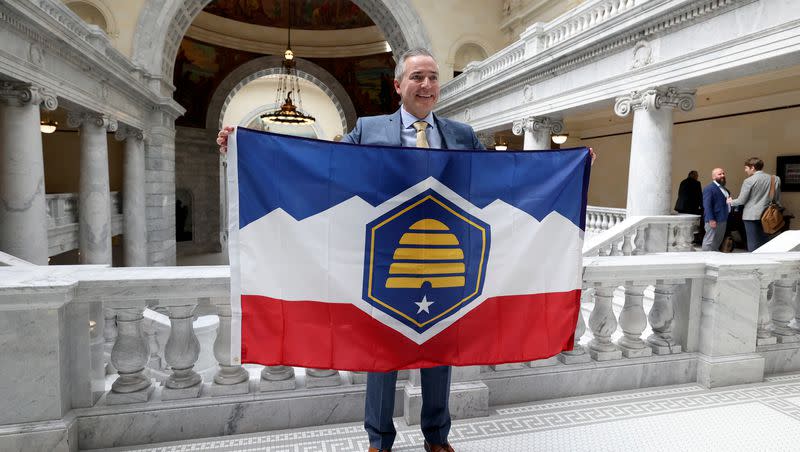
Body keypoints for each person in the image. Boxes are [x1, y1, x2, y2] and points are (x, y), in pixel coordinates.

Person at [218, 48, 595, 452]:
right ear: (398, 86)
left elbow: (503, 179)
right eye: (417, 77)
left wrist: (569, 165)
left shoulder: (460, 135)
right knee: (381, 350)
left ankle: (437, 436)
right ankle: (379, 440)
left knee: (441, 345)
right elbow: (324, 171)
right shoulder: (367, 130)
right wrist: (244, 149)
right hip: (385, 256)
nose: (427, 84)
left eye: (433, 77)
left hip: (444, 253)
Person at [728, 157, 781, 251]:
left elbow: (741, 201)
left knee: (753, 244)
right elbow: (776, 199)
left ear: (752, 167)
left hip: (751, 216)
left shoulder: (749, 181)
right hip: (769, 215)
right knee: (765, 243)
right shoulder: (775, 179)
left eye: (746, 168)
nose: (745, 171)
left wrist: (730, 202)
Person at [701, 168, 729, 251]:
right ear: (713, 177)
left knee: (717, 242)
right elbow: (707, 205)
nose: (722, 176)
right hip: (713, 220)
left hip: (723, 219)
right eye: (719, 174)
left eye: (723, 173)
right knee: (709, 242)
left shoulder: (724, 189)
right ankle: (704, 257)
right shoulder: (709, 188)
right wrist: (711, 219)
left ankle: (713, 258)